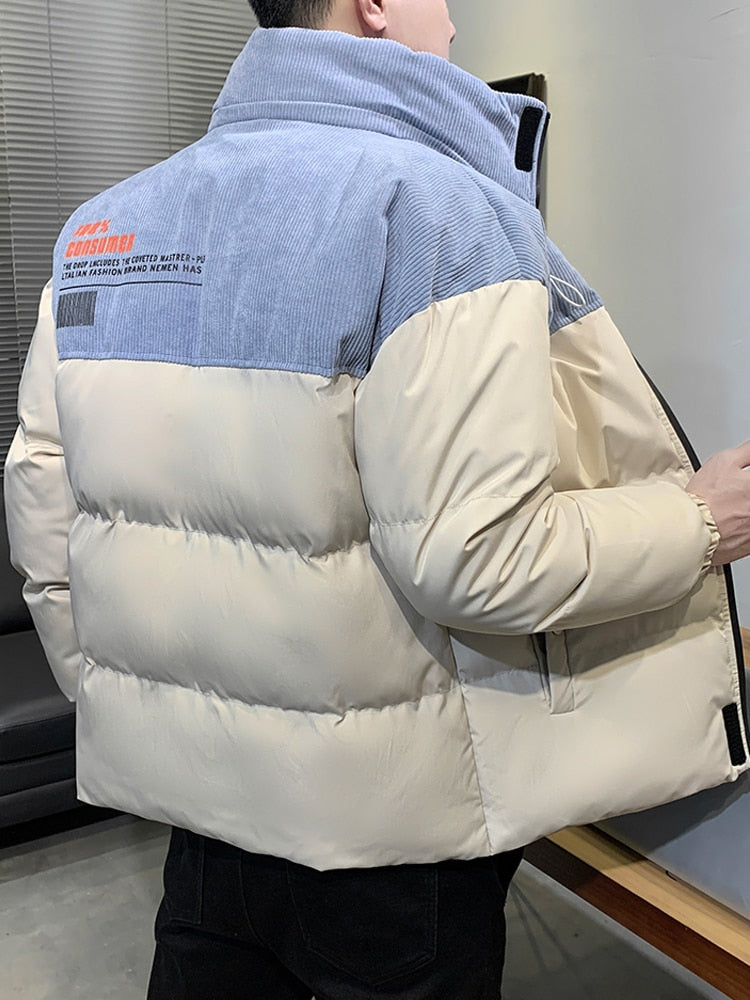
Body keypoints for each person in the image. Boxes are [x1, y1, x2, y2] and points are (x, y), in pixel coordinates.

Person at [5, 0, 750, 996]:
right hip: (390, 842)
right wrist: (701, 518)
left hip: (202, 816)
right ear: (376, 3)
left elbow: (46, 513)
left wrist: (139, 707)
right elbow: (480, 558)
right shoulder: (436, 213)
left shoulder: (101, 228)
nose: (455, 25)